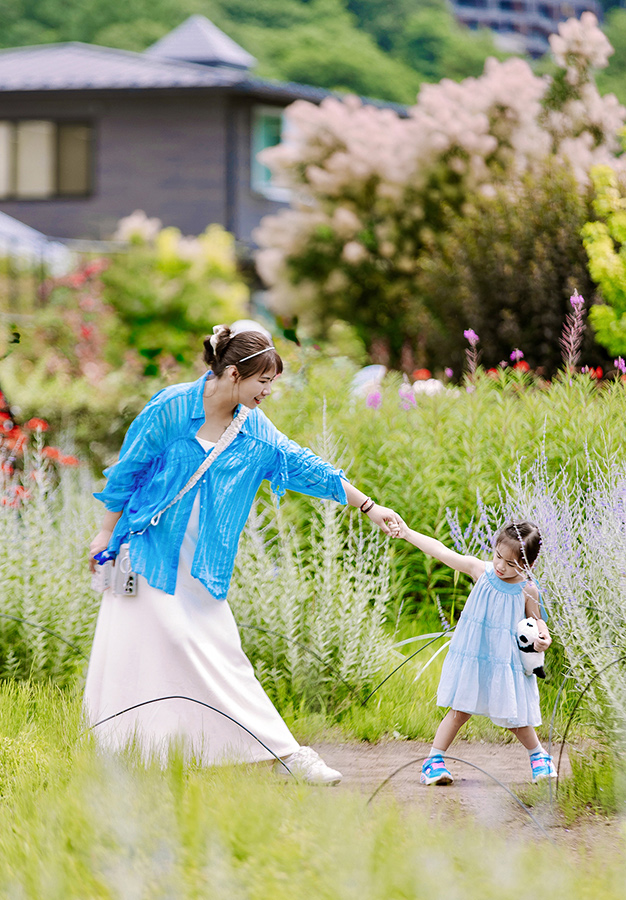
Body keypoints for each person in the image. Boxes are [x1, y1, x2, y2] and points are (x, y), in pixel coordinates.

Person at [84, 324, 406, 784]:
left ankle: (284, 753)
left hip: (204, 561)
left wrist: (369, 505)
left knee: (223, 651)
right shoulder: (171, 409)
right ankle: (133, 748)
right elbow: (127, 472)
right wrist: (104, 533)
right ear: (233, 373)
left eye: (273, 383)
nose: (270, 392)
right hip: (149, 548)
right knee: (155, 643)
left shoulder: (252, 427)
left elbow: (300, 464)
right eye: (264, 382)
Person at [397, 520, 556, 785]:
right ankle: (433, 762)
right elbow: (441, 552)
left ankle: (539, 757)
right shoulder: (481, 571)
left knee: (514, 716)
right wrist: (408, 532)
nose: (501, 566)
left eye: (511, 563)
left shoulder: (528, 589)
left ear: (528, 565)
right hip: (474, 655)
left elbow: (537, 620)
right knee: (460, 709)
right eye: (497, 556)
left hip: (505, 661)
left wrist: (544, 637)